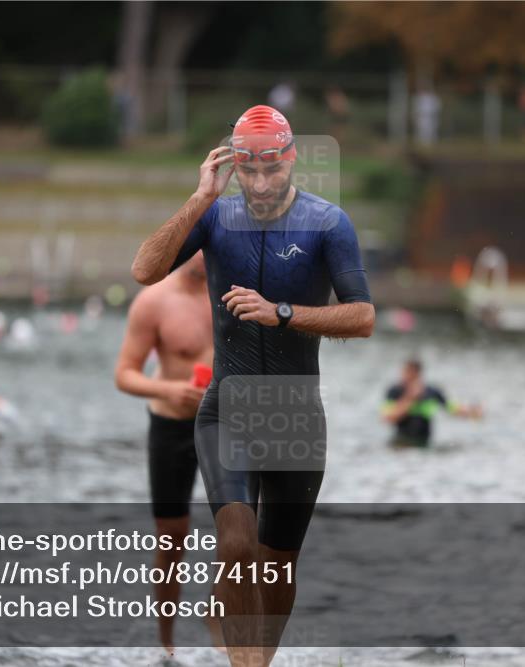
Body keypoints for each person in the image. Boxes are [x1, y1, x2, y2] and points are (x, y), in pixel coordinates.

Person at [131, 104, 375, 666]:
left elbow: (362, 318)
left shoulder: (327, 224)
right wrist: (200, 199)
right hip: (228, 407)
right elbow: (144, 271)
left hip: (296, 417)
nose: (262, 184)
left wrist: (282, 312)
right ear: (234, 167)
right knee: (236, 544)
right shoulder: (216, 219)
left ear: (292, 159)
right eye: (250, 171)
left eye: (273, 169)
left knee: (277, 563)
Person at [115, 250, 219, 657]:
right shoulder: (155, 300)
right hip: (171, 425)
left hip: (222, 423)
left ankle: (216, 606)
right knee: (173, 537)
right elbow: (124, 373)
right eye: (197, 241)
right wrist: (170, 389)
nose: (204, 252)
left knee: (240, 525)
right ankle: (166, 639)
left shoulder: (236, 292)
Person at [381, 358, 483, 447]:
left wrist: (472, 412)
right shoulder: (394, 391)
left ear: (417, 373)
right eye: (404, 372)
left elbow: (451, 408)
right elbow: (388, 418)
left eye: (408, 373)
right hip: (402, 442)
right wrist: (410, 398)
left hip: (425, 442)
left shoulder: (431, 392)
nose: (404, 376)